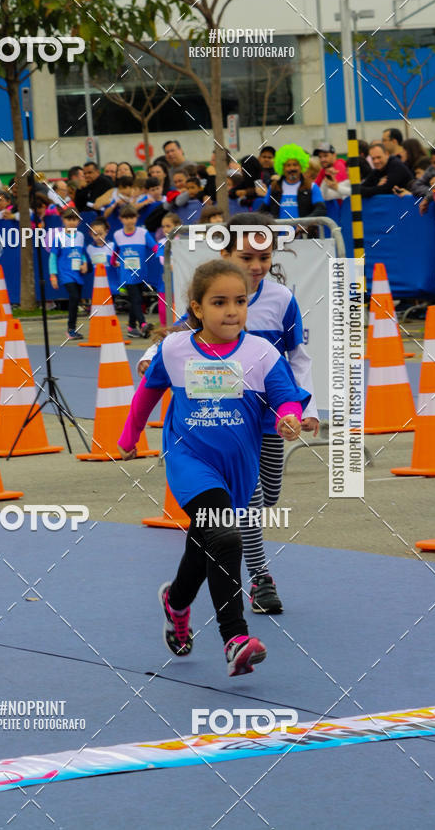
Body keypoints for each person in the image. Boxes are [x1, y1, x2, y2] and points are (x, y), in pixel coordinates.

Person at [118, 259, 309, 676]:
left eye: (239, 302)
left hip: (238, 467)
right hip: (190, 460)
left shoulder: (261, 353)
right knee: (225, 535)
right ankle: (235, 638)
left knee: (205, 542)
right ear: (197, 308)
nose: (231, 311)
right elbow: (147, 395)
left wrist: (288, 417)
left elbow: (285, 397)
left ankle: (177, 601)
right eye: (219, 302)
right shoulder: (175, 349)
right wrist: (129, 438)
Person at [137, 213, 319, 613]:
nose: (255, 265)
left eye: (264, 256)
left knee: (268, 495)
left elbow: (298, 357)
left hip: (272, 418)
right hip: (228, 422)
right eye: (246, 256)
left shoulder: (282, 300)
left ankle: (198, 583)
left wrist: (308, 409)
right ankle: (260, 579)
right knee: (247, 503)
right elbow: (179, 337)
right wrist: (150, 357)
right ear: (225, 253)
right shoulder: (214, 295)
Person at [259, 144, 326, 233]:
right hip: (280, 240)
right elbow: (262, 211)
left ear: (301, 166)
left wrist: (305, 223)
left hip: (305, 239)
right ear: (282, 168)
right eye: (288, 165)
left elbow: (321, 210)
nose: (292, 168)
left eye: (295, 165)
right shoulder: (274, 187)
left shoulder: (311, 186)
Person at [112, 204, 156, 339]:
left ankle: (131, 327)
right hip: (126, 275)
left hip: (141, 273)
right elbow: (115, 251)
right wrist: (113, 261)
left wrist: (165, 254)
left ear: (136, 218)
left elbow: (154, 247)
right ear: (121, 219)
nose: (129, 220)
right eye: (126, 218)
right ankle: (143, 324)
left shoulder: (143, 233)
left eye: (132, 217)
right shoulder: (118, 235)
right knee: (136, 299)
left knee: (136, 300)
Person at [48, 207, 88, 340]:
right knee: (74, 297)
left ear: (78, 221)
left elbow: (81, 253)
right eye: (68, 219)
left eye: (74, 219)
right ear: (63, 220)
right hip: (66, 274)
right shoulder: (59, 237)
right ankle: (70, 329)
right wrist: (53, 275)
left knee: (76, 300)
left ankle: (73, 329)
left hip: (78, 275)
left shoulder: (80, 236)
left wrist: (84, 263)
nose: (72, 222)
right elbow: (53, 257)